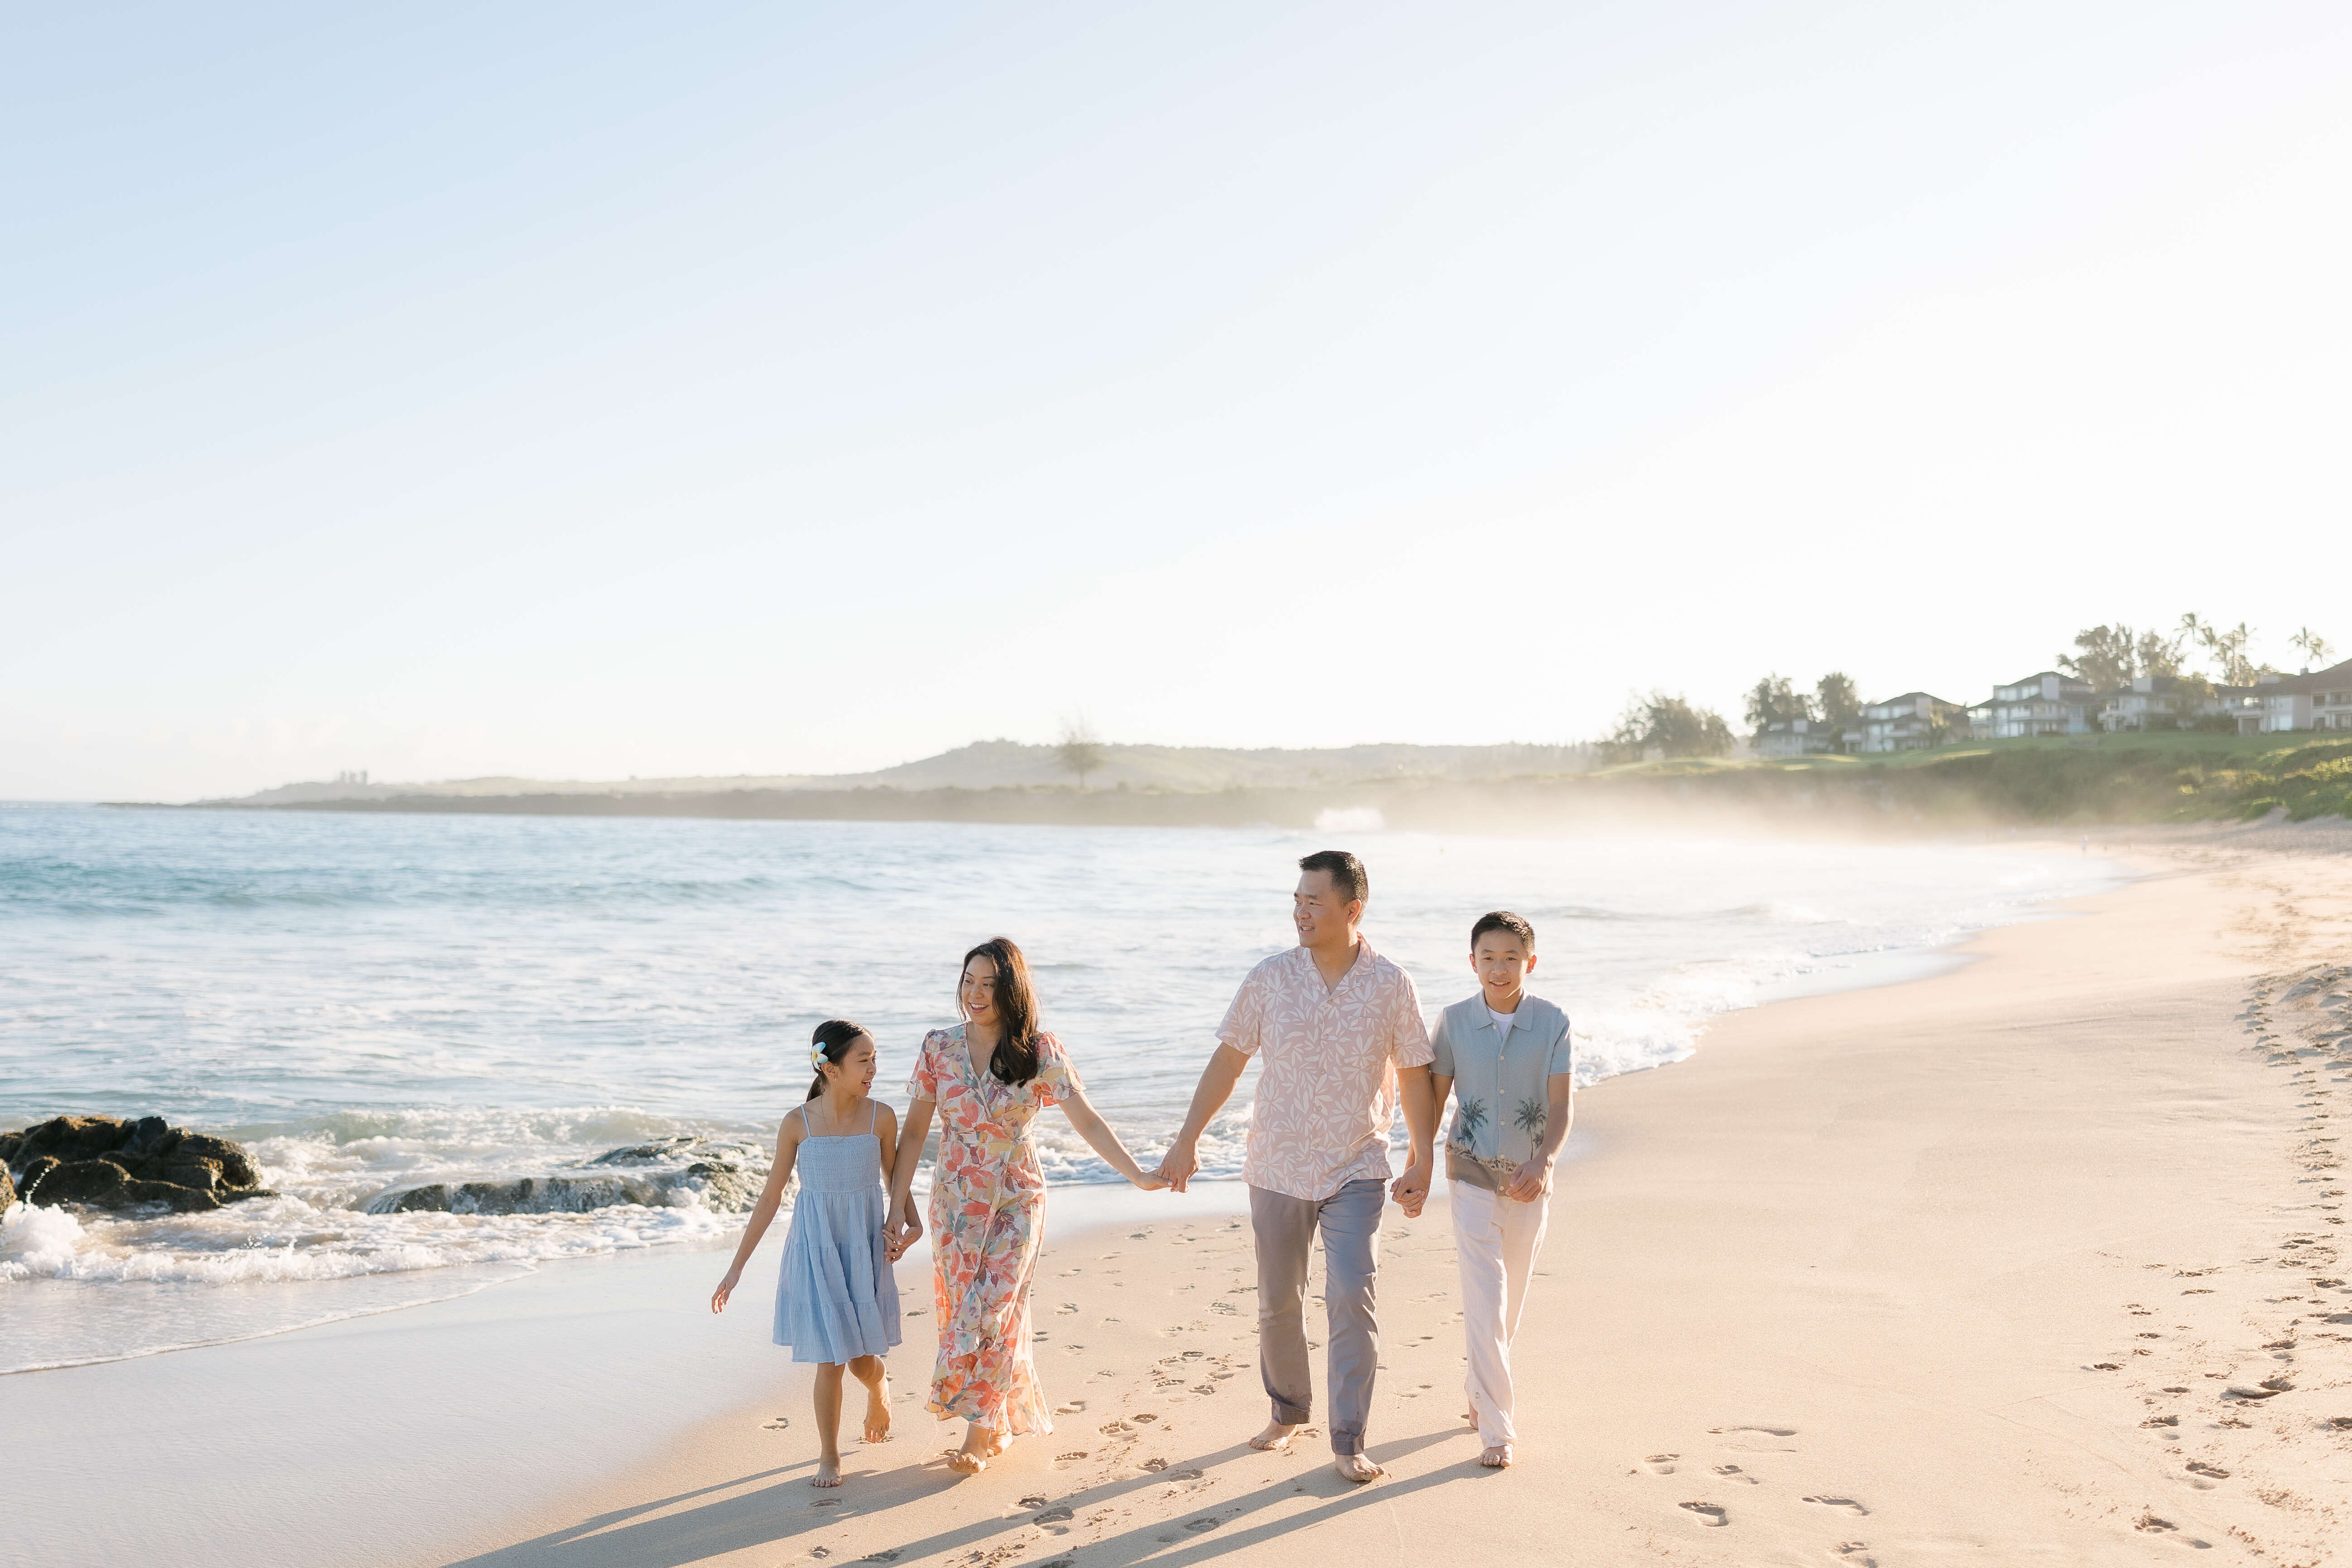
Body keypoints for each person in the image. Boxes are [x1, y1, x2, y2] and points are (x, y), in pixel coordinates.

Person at [1156, 849, 1437, 1483]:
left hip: (1357, 1165)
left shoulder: (1391, 983)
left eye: (1315, 901)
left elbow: (1416, 1073)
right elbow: (1228, 1062)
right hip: (1277, 1163)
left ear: (1351, 910)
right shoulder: (1270, 978)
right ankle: (1287, 1410)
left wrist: (1421, 1158)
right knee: (1279, 1301)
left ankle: (1349, 1438)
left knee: (1350, 1293)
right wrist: (1187, 1139)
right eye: (1297, 899)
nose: (1301, 911)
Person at [885, 937, 1165, 1476]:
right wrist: (895, 1206)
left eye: (989, 983)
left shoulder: (1039, 1049)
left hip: (1017, 1198)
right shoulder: (937, 1047)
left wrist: (1138, 1175)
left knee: (992, 1307)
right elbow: (915, 1129)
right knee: (967, 1308)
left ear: (1011, 989)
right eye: (969, 980)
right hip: (955, 1204)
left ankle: (979, 1429)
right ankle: (1004, 1417)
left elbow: (1086, 1120)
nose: (975, 993)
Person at [710, 1018, 903, 1488]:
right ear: (830, 1068)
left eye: (875, 1058)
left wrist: (906, 1223)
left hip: (863, 1246)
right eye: (864, 1059)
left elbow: (895, 1181)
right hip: (816, 1249)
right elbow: (771, 1196)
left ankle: (878, 1386)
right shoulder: (797, 1122)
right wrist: (735, 1268)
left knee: (859, 1357)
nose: (873, 1068)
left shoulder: (882, 1117)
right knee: (830, 1357)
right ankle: (829, 1455)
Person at [1428, 910, 1573, 1470]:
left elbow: (1560, 1107)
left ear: (1529, 962)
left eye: (1511, 957)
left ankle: (1478, 1385)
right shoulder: (1453, 1022)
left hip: (1530, 1180)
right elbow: (1435, 1101)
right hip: (1468, 1172)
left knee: (1508, 1305)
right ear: (1472, 962)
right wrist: (1419, 1163)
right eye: (1487, 956)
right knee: (1484, 1297)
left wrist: (1543, 1161)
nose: (1498, 967)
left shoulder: (1553, 1021)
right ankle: (1498, 1428)